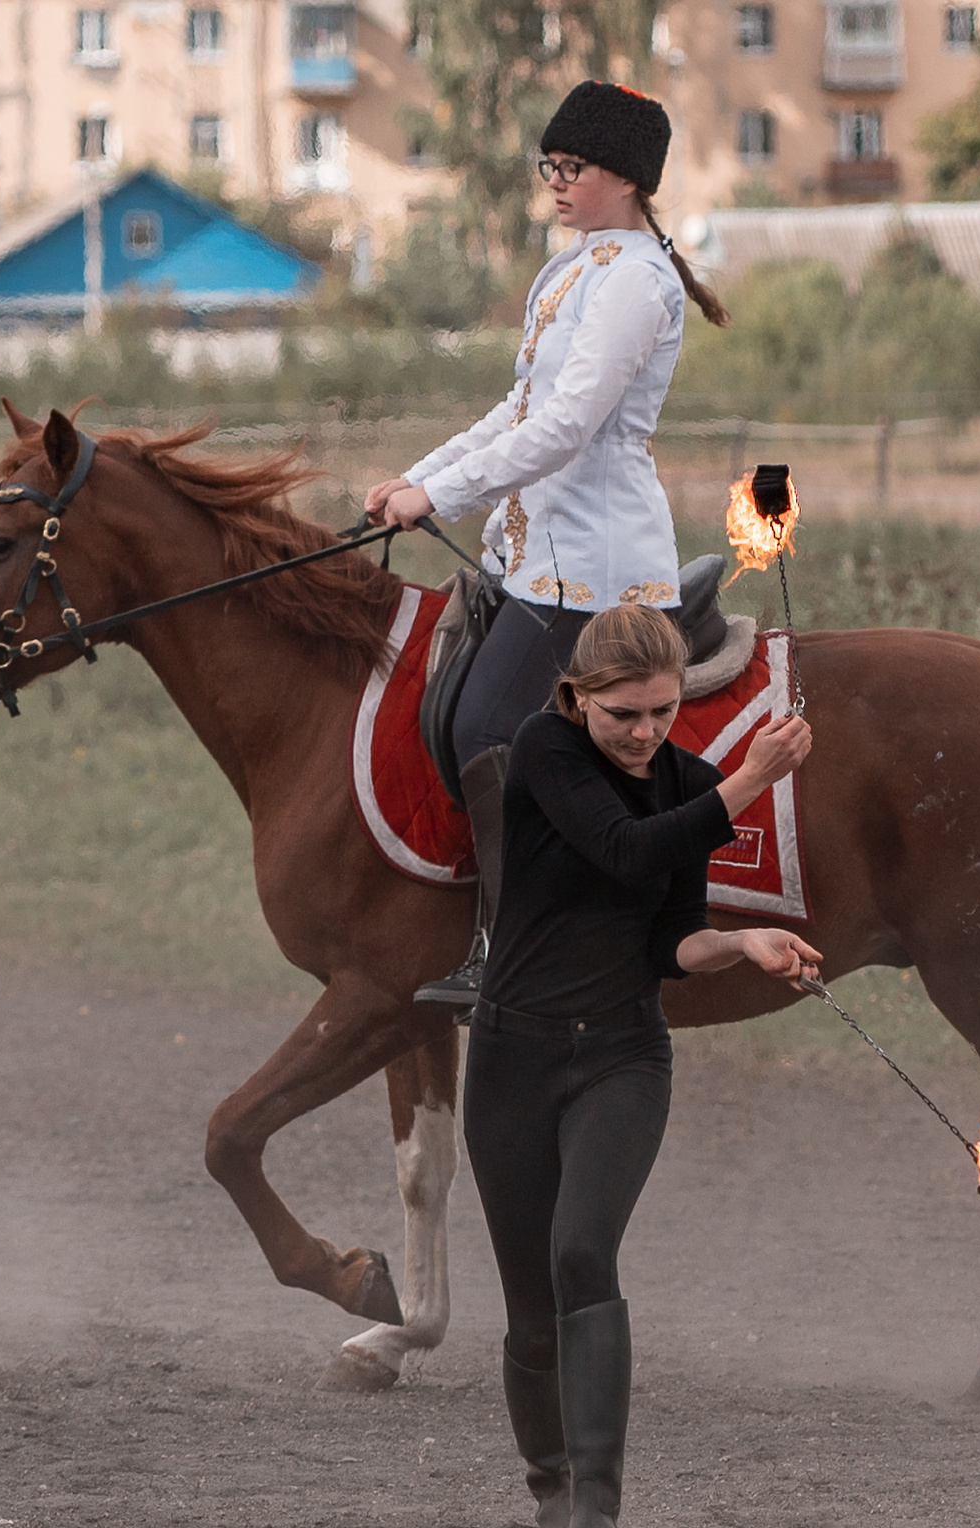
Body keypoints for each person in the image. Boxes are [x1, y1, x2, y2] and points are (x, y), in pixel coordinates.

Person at [462, 605, 815, 1528]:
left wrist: (741, 942)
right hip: (510, 1059)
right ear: (578, 699)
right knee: (530, 1306)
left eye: (662, 712)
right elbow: (621, 849)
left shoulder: (690, 784)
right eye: (623, 713)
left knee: (583, 1251)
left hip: (622, 1057)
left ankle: (595, 1513)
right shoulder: (543, 750)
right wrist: (752, 779)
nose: (644, 732)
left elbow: (672, 940)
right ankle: (546, 1479)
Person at [363, 78, 732, 1008]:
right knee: (454, 710)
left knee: (493, 727)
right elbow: (517, 408)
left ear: (626, 175)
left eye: (571, 167)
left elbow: (566, 429)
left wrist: (436, 493)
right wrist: (417, 478)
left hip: (590, 563)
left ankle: (513, 942)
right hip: (533, 551)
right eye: (551, 166)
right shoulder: (576, 265)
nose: (555, 183)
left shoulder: (636, 282)